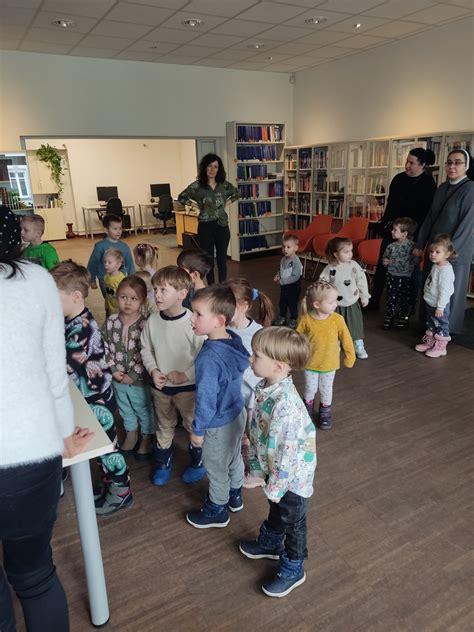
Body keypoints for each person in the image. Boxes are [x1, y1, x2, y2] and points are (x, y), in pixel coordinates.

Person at [0, 207, 93, 632]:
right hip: (32, 453)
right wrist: (61, 436)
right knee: (35, 575)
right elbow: (56, 373)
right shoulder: (35, 280)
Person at [50, 260, 133, 517]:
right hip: (86, 397)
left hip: (96, 398)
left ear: (76, 296)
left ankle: (121, 492)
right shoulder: (69, 319)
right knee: (99, 446)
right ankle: (110, 484)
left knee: (107, 449)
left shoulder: (83, 328)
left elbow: (62, 364)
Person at [239, 326, 316, 599]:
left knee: (294, 522)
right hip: (276, 474)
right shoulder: (266, 386)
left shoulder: (286, 408)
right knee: (278, 510)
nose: (251, 358)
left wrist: (275, 486)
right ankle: (271, 542)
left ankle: (294, 566)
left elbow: (287, 455)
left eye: (256, 355)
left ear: (278, 365)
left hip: (291, 479)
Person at [185, 285, 249, 528]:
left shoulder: (209, 357)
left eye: (198, 314)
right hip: (236, 413)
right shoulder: (233, 339)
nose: (192, 317)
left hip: (217, 423)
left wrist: (198, 431)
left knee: (216, 467)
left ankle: (217, 509)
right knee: (233, 457)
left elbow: (206, 399)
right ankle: (234, 495)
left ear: (219, 320)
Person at [140, 266, 204, 485]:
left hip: (187, 389)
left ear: (182, 293)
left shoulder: (193, 323)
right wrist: (153, 370)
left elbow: (204, 356)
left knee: (193, 426)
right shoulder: (152, 321)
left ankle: (198, 462)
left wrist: (186, 375)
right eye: (155, 289)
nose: (156, 295)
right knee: (164, 425)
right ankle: (163, 461)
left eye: (163, 290)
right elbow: (145, 349)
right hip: (161, 388)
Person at [415, 149, 474, 335]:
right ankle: (429, 326)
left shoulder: (471, 189)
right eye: (449, 162)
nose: (452, 166)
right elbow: (430, 218)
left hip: (454, 252)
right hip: (435, 250)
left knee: (448, 291)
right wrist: (420, 244)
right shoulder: (441, 187)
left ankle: (446, 331)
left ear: (466, 166)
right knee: (431, 286)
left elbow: (467, 224)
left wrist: (447, 253)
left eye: (457, 162)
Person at [370, 148, 437, 309]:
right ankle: (374, 301)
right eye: (407, 161)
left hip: (411, 235)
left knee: (410, 271)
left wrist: (415, 237)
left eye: (411, 163)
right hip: (393, 231)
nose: (407, 165)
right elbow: (390, 205)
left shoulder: (428, 184)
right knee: (383, 265)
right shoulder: (399, 179)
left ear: (422, 165)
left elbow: (426, 214)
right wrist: (387, 225)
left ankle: (406, 306)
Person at [225, 278, 274, 488]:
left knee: (254, 434)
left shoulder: (258, 333)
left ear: (243, 307)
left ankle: (256, 470)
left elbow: (265, 368)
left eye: (227, 306)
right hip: (230, 394)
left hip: (252, 396)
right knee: (235, 432)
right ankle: (238, 462)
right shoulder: (222, 328)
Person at [102, 275, 154, 460]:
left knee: (143, 408)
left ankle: (147, 437)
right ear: (117, 297)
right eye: (123, 297)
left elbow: (147, 353)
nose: (128, 302)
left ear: (142, 301)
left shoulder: (146, 324)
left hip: (138, 380)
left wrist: (133, 374)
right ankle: (131, 434)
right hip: (118, 378)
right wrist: (114, 370)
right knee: (124, 408)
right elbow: (104, 346)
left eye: (134, 298)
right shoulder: (111, 321)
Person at [296, 281, 355, 430]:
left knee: (326, 389)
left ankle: (325, 412)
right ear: (317, 304)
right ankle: (306, 411)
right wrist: (294, 357)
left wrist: (350, 356)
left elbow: (346, 339)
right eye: (331, 302)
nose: (335, 304)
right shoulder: (306, 319)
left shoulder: (337, 320)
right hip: (310, 363)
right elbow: (296, 339)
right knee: (310, 388)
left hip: (329, 363)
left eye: (336, 300)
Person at [178, 154, 239, 284]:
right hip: (205, 226)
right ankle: (211, 287)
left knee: (222, 260)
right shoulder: (198, 186)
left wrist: (225, 204)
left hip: (222, 226)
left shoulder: (224, 185)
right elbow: (182, 197)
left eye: (215, 166)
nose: (212, 169)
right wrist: (195, 205)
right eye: (210, 166)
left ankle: (222, 286)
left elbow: (236, 194)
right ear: (205, 167)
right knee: (208, 259)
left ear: (219, 169)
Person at [319, 237, 370, 359]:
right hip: (334, 304)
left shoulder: (354, 266)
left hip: (351, 302)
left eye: (351, 251)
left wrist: (364, 296)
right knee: (334, 325)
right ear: (336, 254)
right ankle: (335, 345)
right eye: (346, 252)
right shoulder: (330, 268)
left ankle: (358, 345)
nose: (350, 254)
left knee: (355, 324)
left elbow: (362, 281)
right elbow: (322, 283)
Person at [415, 234, 456, 357]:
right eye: (431, 252)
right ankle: (431, 342)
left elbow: (445, 291)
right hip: (430, 301)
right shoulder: (436, 265)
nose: (433, 254)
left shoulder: (446, 271)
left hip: (439, 305)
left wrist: (440, 307)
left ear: (447, 254)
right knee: (431, 322)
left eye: (437, 252)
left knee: (441, 324)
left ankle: (441, 347)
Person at [382, 217, 419, 330]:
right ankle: (389, 316)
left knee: (404, 298)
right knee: (390, 297)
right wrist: (385, 262)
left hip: (406, 277)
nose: (392, 232)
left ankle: (403, 317)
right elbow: (385, 259)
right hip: (392, 275)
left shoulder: (413, 247)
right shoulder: (391, 246)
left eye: (395, 230)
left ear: (404, 234)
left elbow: (416, 261)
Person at [87, 214, 134, 296]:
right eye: (115, 229)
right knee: (110, 301)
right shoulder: (100, 246)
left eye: (120, 228)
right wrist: (92, 280)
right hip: (105, 280)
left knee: (121, 300)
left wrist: (133, 280)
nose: (118, 231)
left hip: (121, 280)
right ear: (106, 230)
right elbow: (93, 263)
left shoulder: (125, 247)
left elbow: (130, 264)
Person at [273, 234, 303, 329]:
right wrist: (278, 276)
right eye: (283, 247)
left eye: (288, 247)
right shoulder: (283, 259)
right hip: (284, 287)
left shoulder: (296, 262)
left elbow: (295, 277)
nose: (285, 249)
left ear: (295, 248)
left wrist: (282, 281)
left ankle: (294, 319)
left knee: (292, 303)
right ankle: (282, 317)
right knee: (282, 302)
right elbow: (280, 270)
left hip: (293, 287)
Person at [103, 248, 126, 316]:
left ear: (118, 265)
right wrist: (106, 305)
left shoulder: (121, 279)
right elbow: (107, 294)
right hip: (110, 309)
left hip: (120, 311)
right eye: (105, 262)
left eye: (109, 262)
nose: (106, 264)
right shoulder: (106, 277)